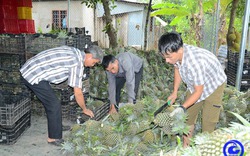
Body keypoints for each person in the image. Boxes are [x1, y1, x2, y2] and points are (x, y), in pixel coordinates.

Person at [20, 45, 103, 146]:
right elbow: (78, 92)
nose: (92, 65)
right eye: (94, 62)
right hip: (32, 74)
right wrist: (84, 108)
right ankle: (53, 138)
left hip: (33, 68)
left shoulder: (76, 51)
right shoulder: (77, 63)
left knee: (53, 101)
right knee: (54, 104)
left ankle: (56, 126)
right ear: (89, 56)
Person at [158, 32, 227, 147]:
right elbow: (177, 69)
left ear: (180, 50)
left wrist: (182, 107)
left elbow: (199, 92)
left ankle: (206, 149)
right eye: (165, 57)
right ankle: (186, 147)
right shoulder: (178, 56)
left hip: (214, 85)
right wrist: (174, 91)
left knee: (208, 123)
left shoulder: (195, 63)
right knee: (187, 118)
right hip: (195, 84)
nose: (167, 61)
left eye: (169, 57)